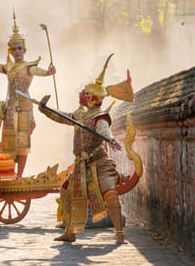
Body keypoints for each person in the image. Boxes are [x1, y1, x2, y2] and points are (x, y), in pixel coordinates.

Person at [38, 54, 133, 245]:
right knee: (66, 191)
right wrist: (44, 109)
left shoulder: (101, 116)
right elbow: (61, 117)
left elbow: (104, 131)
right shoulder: (79, 114)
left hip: (100, 163)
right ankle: (70, 231)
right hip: (81, 165)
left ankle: (119, 232)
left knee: (110, 194)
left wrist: (111, 139)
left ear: (91, 97)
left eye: (84, 92)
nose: (81, 94)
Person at [0, 12, 56, 178]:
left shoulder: (29, 66)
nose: (17, 51)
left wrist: (49, 72)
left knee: (22, 146)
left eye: (19, 48)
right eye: (13, 49)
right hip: (9, 108)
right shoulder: (8, 67)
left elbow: (40, 71)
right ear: (10, 50)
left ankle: (19, 176)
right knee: (7, 143)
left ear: (25, 50)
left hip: (24, 108)